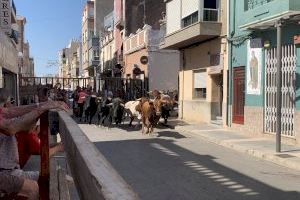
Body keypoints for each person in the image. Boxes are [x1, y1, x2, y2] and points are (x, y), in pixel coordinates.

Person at [0, 88, 69, 199]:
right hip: (4, 172)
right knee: (33, 188)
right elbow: (11, 128)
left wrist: (44, 104)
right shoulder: (26, 133)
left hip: (11, 170)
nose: (10, 105)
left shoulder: (3, 111)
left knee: (47, 178)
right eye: (10, 101)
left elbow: (12, 111)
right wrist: (42, 107)